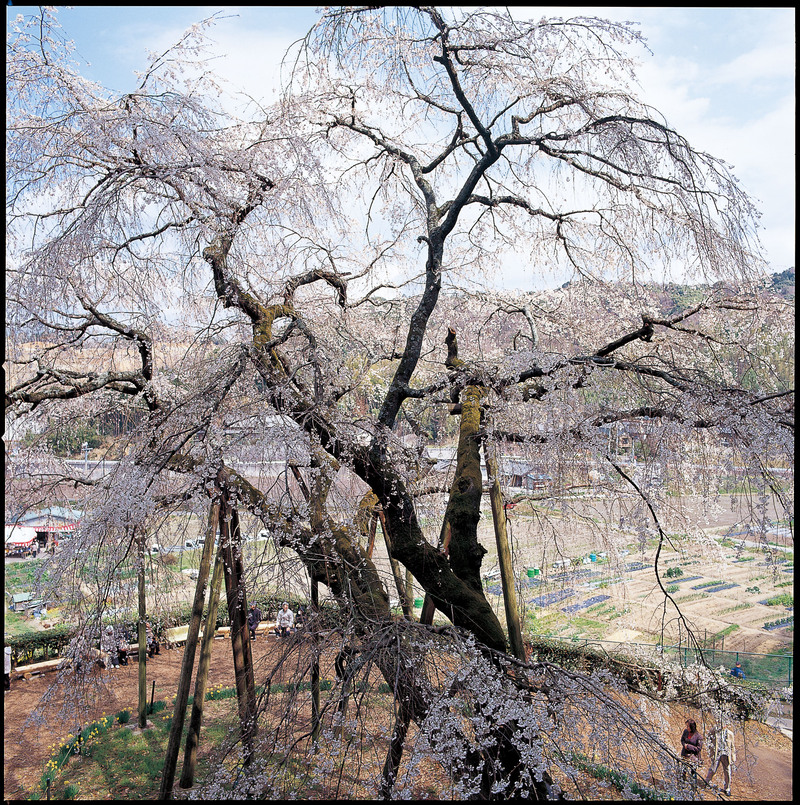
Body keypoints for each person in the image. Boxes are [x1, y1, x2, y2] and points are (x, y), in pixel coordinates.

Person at [705, 723, 735, 795]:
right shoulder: (714, 731)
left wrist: (733, 756)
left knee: (727, 772)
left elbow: (732, 746)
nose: (723, 725)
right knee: (713, 769)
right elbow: (708, 739)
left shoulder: (730, 734)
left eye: (725, 724)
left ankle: (727, 788)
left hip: (726, 755)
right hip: (717, 753)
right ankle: (707, 782)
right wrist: (711, 749)